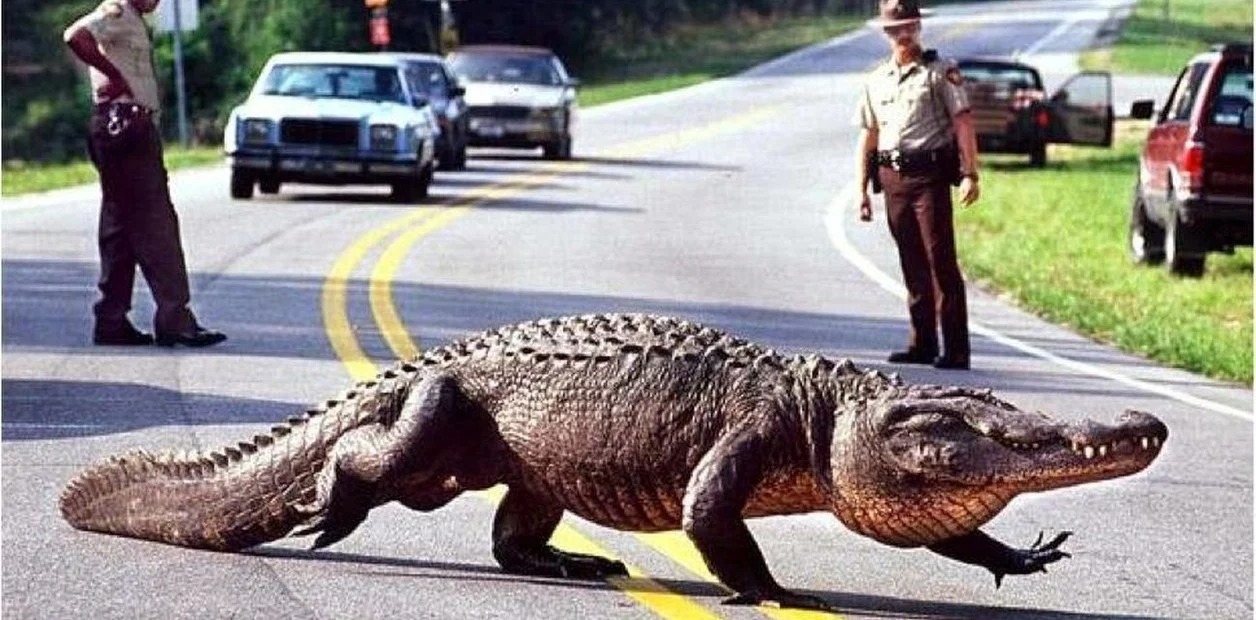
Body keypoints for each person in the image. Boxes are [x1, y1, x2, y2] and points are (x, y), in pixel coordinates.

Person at [64, 0, 226, 348]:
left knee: (120, 227)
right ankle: (175, 319)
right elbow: (76, 36)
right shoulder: (117, 11)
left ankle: (111, 319)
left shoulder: (133, 18)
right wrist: (115, 75)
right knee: (156, 223)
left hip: (123, 127)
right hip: (124, 126)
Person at [854, 0, 980, 370]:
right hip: (893, 178)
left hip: (930, 177)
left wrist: (970, 172)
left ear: (919, 27)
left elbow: (963, 123)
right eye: (895, 28)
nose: (903, 34)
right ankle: (922, 342)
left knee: (940, 258)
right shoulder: (876, 80)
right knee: (911, 261)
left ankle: (955, 348)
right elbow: (869, 134)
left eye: (909, 26)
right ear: (886, 33)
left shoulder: (940, 72)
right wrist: (862, 188)